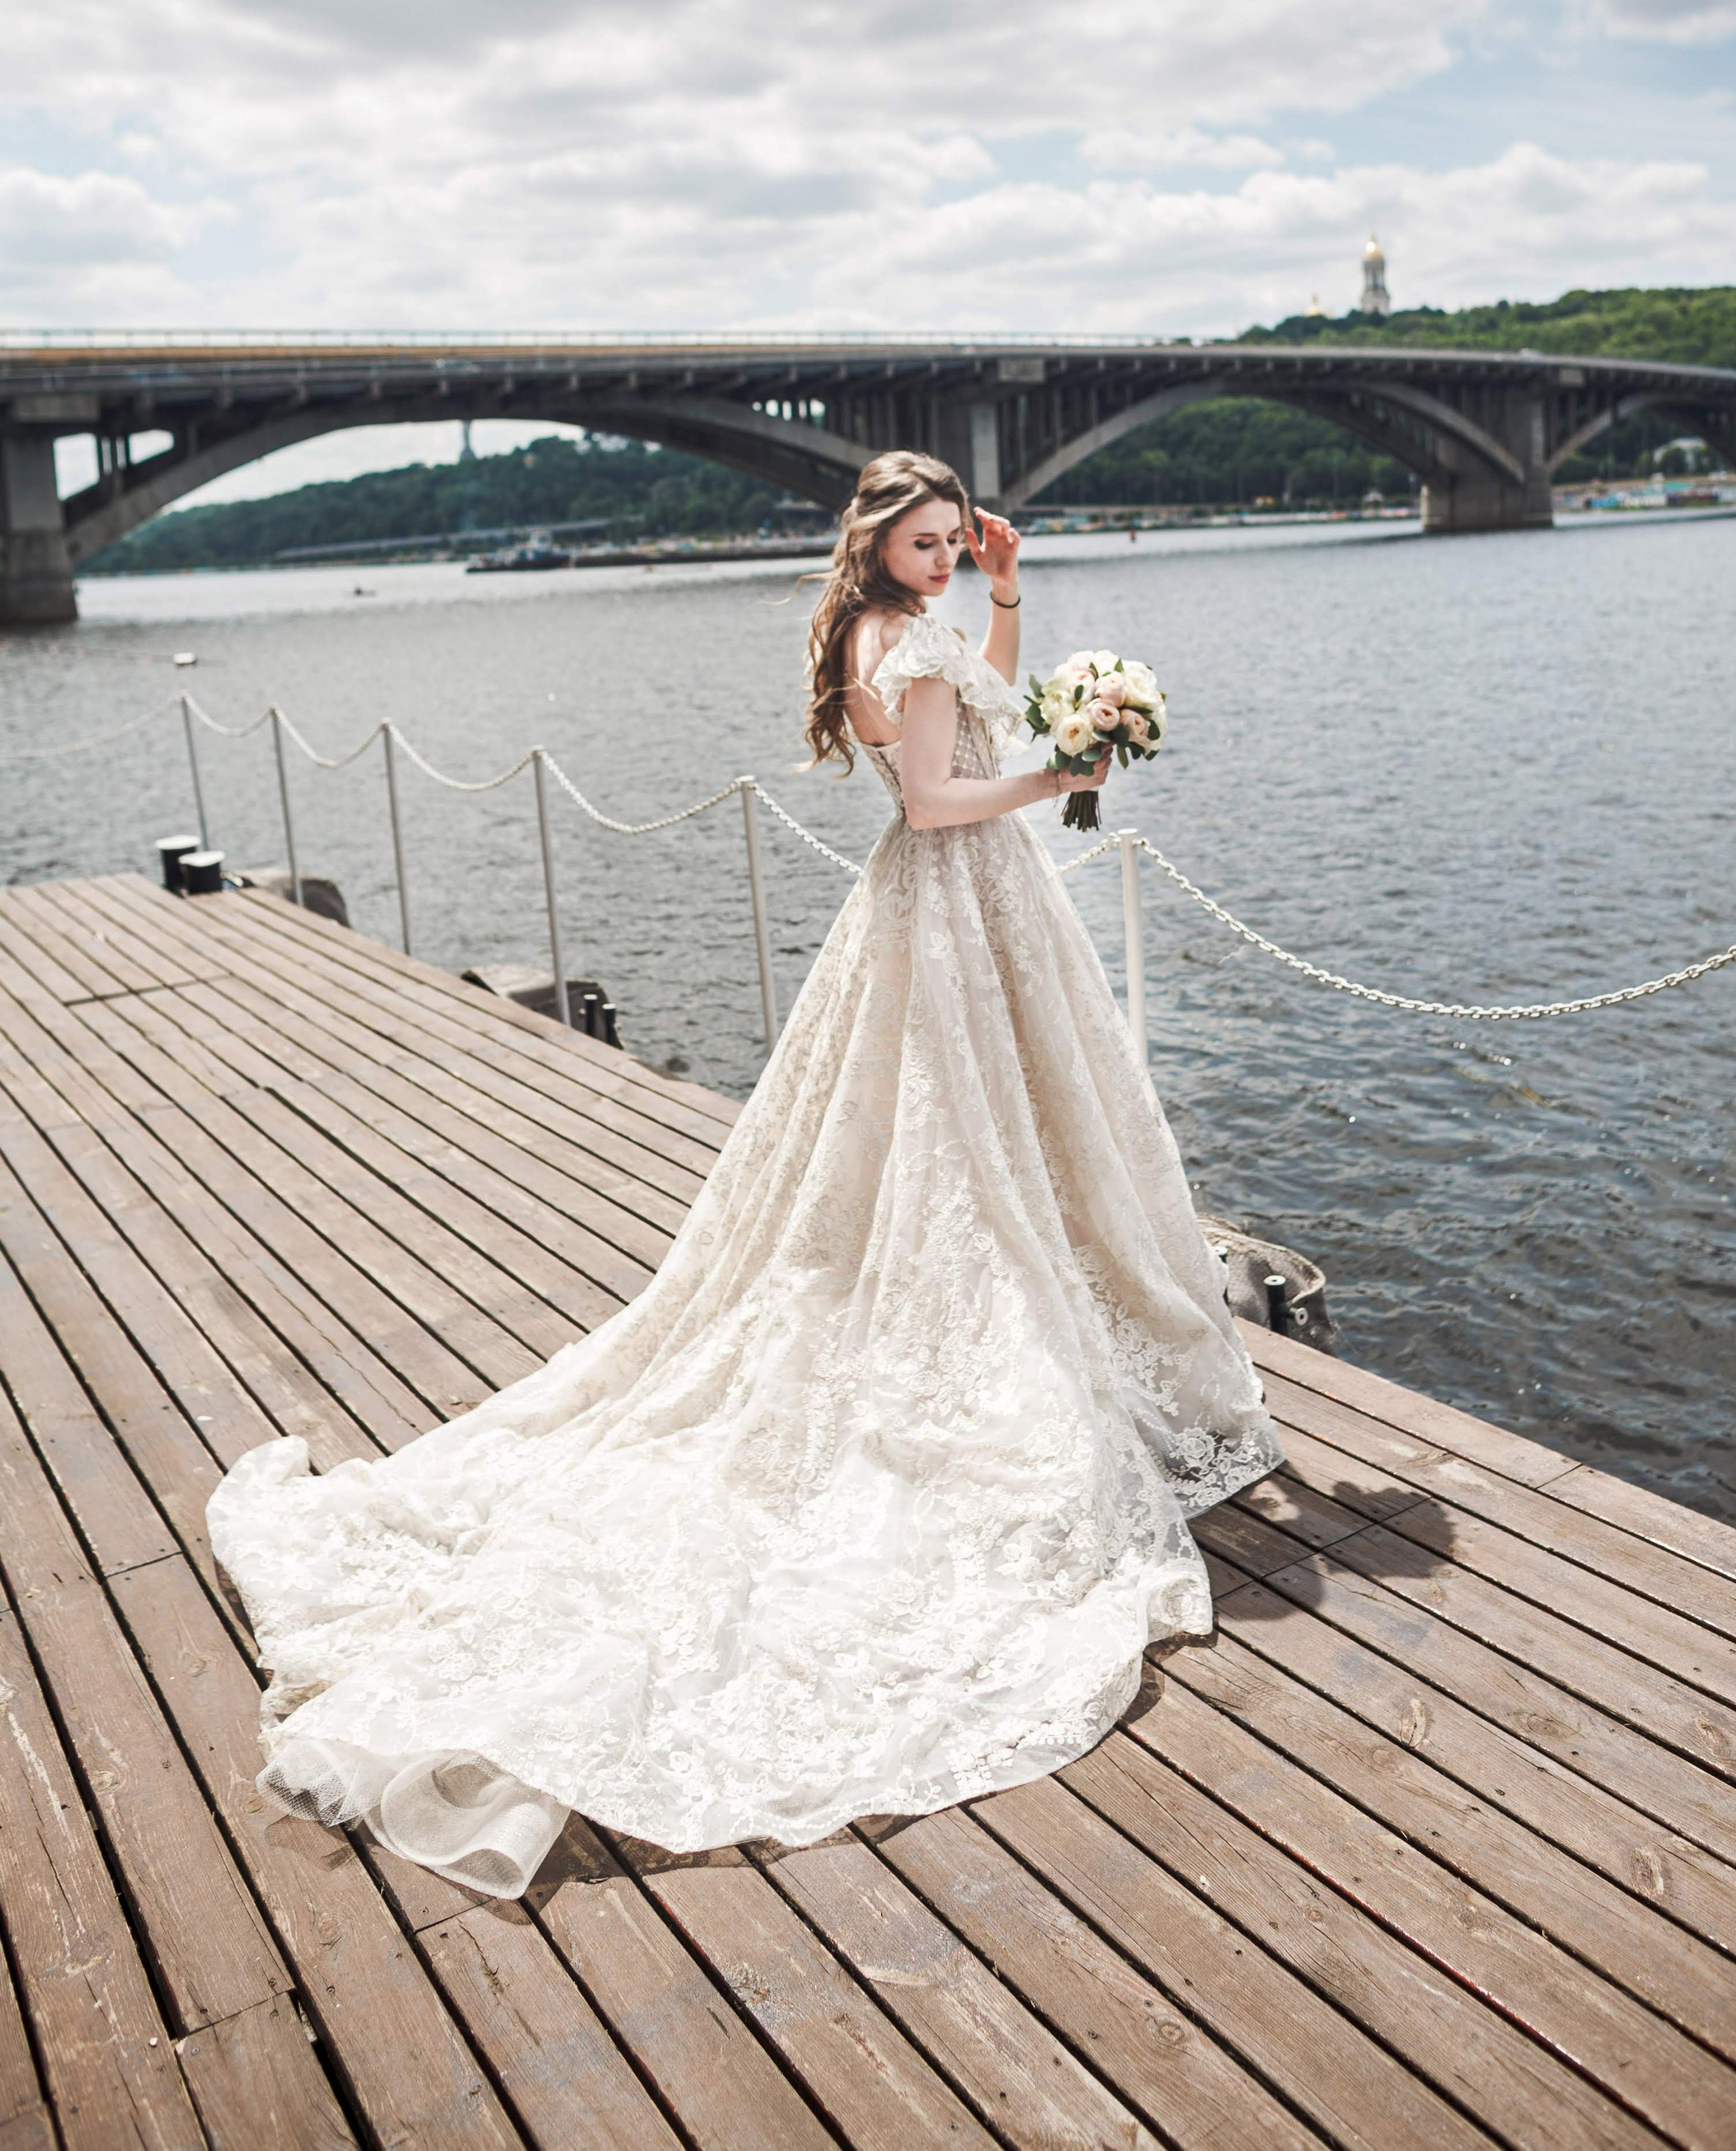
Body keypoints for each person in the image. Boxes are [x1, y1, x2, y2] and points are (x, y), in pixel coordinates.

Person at [207, 449, 1282, 1897]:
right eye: (921, 540)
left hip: (990, 913)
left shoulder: (921, 629)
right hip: (948, 900)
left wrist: (1014, 608)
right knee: (940, 1155)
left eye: (951, 539)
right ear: (874, 542)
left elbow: (981, 700)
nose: (939, 556)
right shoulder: (878, 640)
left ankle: (1047, 1308)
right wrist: (1062, 773)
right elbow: (934, 805)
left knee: (1014, 1141)